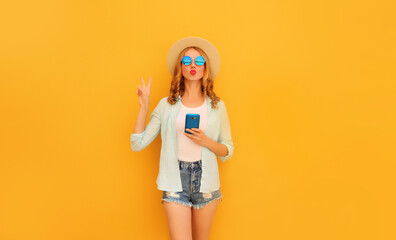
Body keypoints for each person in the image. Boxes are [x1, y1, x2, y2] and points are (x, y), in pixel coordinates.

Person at [130, 37, 234, 240]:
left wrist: (206, 141)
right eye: (187, 61)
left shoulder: (217, 106)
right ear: (180, 68)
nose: (193, 65)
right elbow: (137, 143)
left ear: (205, 68)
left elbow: (227, 151)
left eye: (198, 61)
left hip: (206, 183)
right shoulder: (166, 105)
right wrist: (144, 106)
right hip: (174, 180)